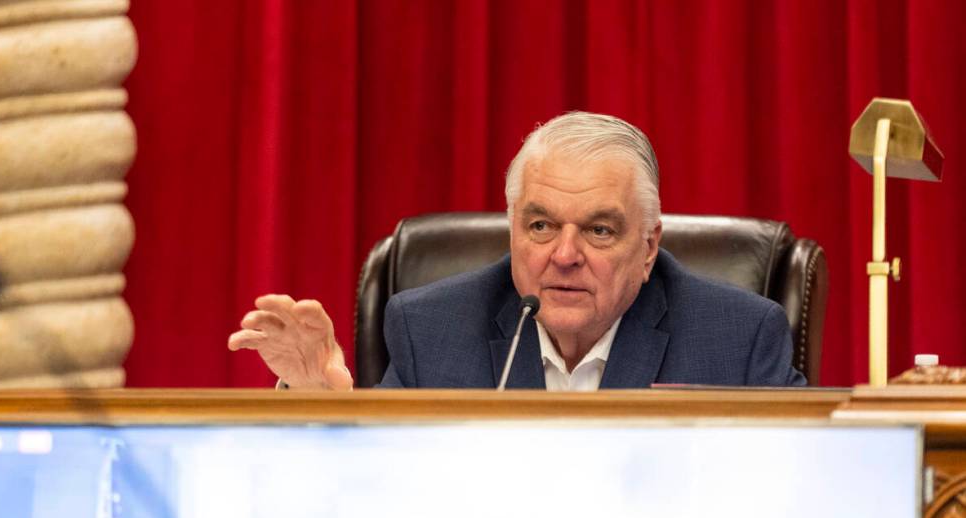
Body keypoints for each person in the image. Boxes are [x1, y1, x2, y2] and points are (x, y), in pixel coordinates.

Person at [228, 111, 805, 389]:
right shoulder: (432, 330)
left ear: (649, 245)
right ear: (512, 230)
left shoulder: (739, 340)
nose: (564, 254)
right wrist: (323, 406)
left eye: (600, 231)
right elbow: (379, 505)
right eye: (540, 226)